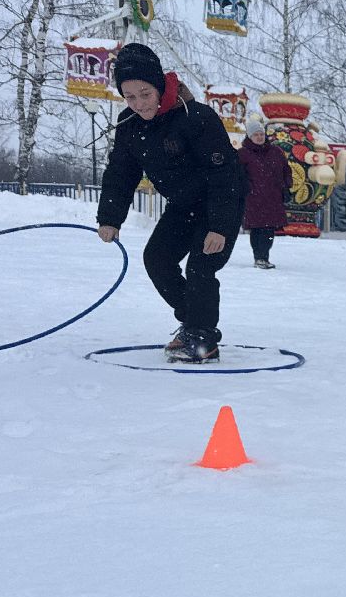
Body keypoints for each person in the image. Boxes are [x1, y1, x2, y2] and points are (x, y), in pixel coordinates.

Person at [96, 42, 246, 364]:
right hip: (183, 206)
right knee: (157, 259)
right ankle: (193, 322)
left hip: (220, 201)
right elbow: (121, 173)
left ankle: (203, 338)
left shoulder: (196, 117)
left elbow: (224, 173)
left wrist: (219, 226)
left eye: (145, 94)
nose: (139, 104)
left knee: (201, 266)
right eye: (130, 97)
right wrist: (110, 217)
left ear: (160, 86)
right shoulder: (129, 125)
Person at [237, 116, 289, 270]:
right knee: (257, 228)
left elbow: (286, 170)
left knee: (269, 229)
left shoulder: (276, 152)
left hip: (273, 197)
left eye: (261, 134)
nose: (259, 137)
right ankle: (259, 257)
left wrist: (287, 187)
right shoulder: (243, 154)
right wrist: (246, 189)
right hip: (253, 198)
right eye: (255, 134)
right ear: (249, 136)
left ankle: (264, 257)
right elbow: (237, 175)